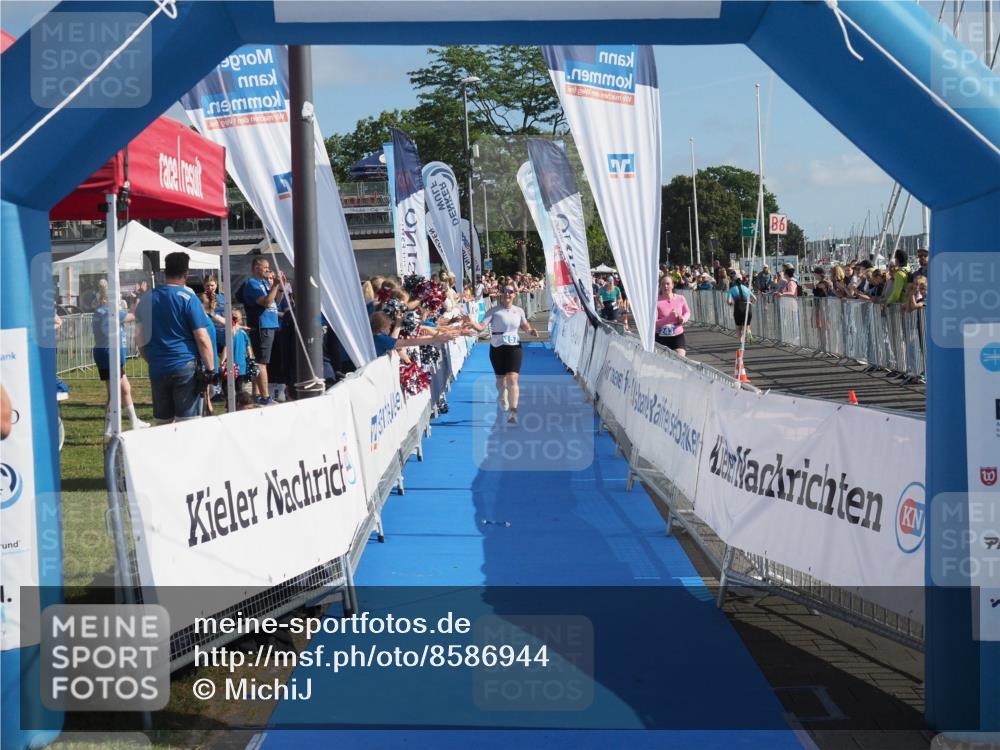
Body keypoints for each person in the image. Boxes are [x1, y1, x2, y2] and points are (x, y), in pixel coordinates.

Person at [134, 252, 216, 424]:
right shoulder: (188, 298)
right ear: (186, 273)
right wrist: (210, 369)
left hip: (158, 367)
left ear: (165, 272)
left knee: (162, 424)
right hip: (184, 365)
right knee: (188, 424)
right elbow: (202, 337)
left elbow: (139, 338)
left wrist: (151, 360)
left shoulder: (146, 298)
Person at [466, 284, 538, 424]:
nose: (507, 294)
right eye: (505, 291)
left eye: (510, 292)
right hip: (497, 347)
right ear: (501, 294)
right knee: (500, 380)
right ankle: (502, 396)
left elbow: (524, 325)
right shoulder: (494, 311)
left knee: (512, 378)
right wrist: (471, 323)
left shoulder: (519, 311)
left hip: (514, 347)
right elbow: (481, 327)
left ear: (514, 294)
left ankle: (513, 412)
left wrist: (530, 331)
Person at [92, 279, 149, 435]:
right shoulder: (109, 312)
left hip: (105, 353)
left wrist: (135, 298)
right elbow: (133, 314)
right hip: (110, 353)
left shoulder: (101, 311)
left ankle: (132, 422)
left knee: (123, 389)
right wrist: (138, 296)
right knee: (116, 392)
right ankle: (110, 429)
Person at [242, 257, 284, 405]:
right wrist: (275, 286)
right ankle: (265, 397)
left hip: (271, 324)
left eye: (268, 267)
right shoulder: (252, 284)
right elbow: (266, 302)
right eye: (265, 267)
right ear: (256, 268)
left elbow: (276, 302)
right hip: (262, 325)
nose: (268, 269)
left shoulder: (265, 283)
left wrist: (278, 286)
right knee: (261, 362)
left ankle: (260, 394)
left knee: (264, 361)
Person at [654, 275, 690, 356]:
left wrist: (683, 319)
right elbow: (655, 323)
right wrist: (669, 319)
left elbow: (687, 312)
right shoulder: (656, 301)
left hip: (677, 335)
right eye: (663, 284)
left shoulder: (680, 298)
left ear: (672, 285)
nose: (665, 286)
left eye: (667, 284)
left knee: (680, 359)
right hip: (661, 337)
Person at [727, 273, 756, 342]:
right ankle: (750, 340)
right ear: (742, 280)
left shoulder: (731, 289)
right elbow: (755, 298)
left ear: (734, 280)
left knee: (738, 327)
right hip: (747, 307)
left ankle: (740, 341)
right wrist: (751, 302)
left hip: (738, 308)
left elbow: (729, 301)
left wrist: (731, 303)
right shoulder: (746, 288)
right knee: (747, 326)